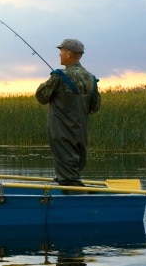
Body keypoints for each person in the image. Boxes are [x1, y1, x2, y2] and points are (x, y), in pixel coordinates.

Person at [35, 38, 101, 188]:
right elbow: (95, 106)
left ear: (69, 54)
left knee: (68, 180)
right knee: (72, 172)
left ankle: (78, 205)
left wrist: (50, 81)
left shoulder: (59, 76)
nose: (59, 55)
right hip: (81, 134)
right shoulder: (91, 79)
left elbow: (41, 97)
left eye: (61, 52)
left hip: (62, 133)